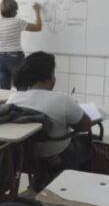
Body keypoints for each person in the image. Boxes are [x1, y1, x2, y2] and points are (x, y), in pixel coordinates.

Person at [6, 52, 92, 189]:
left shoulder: (14, 99)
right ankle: (78, 190)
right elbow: (85, 126)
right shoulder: (63, 100)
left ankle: (40, 182)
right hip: (57, 157)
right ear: (51, 77)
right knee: (90, 143)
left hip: (24, 159)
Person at [0, 0, 43, 90]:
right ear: (15, 12)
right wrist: (37, 10)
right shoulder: (17, 22)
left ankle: (5, 104)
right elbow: (38, 27)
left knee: (4, 90)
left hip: (1, 59)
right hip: (15, 58)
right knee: (22, 88)